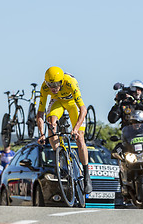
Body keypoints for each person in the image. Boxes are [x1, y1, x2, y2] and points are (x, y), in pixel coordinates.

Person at [36, 66, 92, 194]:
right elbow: (40, 114)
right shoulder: (44, 88)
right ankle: (60, 155)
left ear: (61, 82)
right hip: (57, 102)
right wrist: (42, 134)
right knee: (51, 123)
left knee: (80, 139)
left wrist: (76, 129)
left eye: (56, 84)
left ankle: (86, 175)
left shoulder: (70, 82)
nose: (53, 88)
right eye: (50, 85)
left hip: (72, 103)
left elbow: (83, 110)